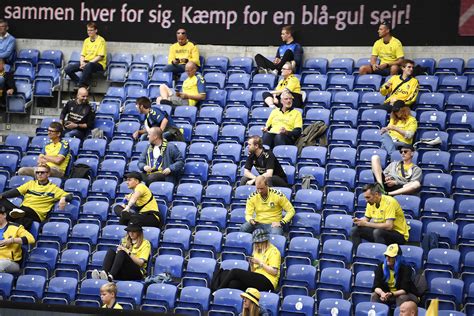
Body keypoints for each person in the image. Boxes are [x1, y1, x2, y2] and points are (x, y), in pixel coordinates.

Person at [0, 164, 72, 229]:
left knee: (16, 215)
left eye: (42, 172)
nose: (39, 174)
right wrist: (1, 195)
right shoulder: (31, 184)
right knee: (2, 201)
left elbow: (69, 195)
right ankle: (13, 215)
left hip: (36, 213)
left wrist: (64, 198)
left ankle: (12, 215)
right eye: (37, 172)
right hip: (22, 210)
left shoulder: (53, 188)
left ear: (48, 174)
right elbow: (15, 192)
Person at [212, 229, 280, 292]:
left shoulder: (274, 251)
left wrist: (260, 263)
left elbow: (274, 272)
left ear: (265, 241)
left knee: (234, 272)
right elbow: (253, 271)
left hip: (268, 282)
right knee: (233, 284)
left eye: (258, 243)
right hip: (257, 278)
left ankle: (218, 291)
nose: (257, 245)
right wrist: (252, 264)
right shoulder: (256, 249)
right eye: (255, 243)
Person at [351, 184, 410, 252]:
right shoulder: (371, 203)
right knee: (355, 230)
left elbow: (389, 226)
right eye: (365, 198)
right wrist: (359, 221)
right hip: (381, 232)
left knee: (377, 232)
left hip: (399, 234)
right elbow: (366, 218)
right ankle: (357, 255)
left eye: (368, 197)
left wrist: (366, 224)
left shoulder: (390, 202)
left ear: (376, 194)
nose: (366, 200)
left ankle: (381, 259)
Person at [64, 22, 106, 89]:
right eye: (88, 30)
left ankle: (81, 85)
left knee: (89, 65)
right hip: (86, 63)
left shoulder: (101, 40)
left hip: (98, 64)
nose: (89, 32)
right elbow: (82, 55)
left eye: (91, 30)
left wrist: (88, 63)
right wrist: (82, 63)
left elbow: (100, 56)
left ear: (96, 30)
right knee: (68, 69)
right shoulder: (86, 40)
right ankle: (81, 84)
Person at [0, 206, 35, 273]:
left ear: (4, 215)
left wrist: (12, 240)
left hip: (12, 262)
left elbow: (31, 239)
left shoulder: (16, 227)